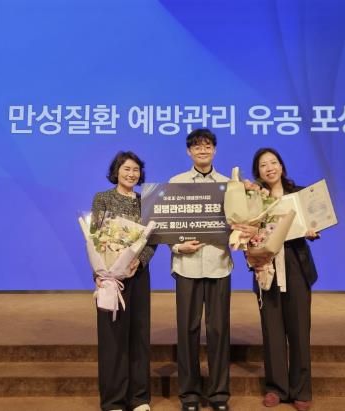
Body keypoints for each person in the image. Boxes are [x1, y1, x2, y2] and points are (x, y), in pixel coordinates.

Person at [232, 147, 319, 411]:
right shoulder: (254, 200)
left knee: (299, 330)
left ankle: (301, 390)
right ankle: (276, 388)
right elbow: (245, 233)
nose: (269, 168)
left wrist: (313, 230)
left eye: (273, 162)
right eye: (263, 165)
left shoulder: (299, 195)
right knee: (272, 331)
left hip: (296, 266)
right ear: (257, 171)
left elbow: (316, 222)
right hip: (266, 268)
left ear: (281, 166)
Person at [169, 129, 233, 411]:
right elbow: (166, 225)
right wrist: (176, 246)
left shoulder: (229, 185)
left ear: (214, 150)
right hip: (187, 266)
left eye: (207, 146)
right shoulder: (176, 183)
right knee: (187, 330)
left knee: (218, 331)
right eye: (197, 147)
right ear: (189, 152)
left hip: (219, 264)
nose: (203, 150)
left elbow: (239, 223)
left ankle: (219, 394)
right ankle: (190, 395)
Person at [90, 151, 155, 411]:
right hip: (110, 277)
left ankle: (139, 398)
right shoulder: (102, 198)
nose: (131, 174)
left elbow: (152, 239)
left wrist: (141, 260)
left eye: (136, 170)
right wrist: (99, 273)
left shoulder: (145, 201)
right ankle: (113, 400)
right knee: (112, 338)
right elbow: (95, 237)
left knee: (139, 334)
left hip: (138, 275)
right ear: (116, 171)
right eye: (126, 169)